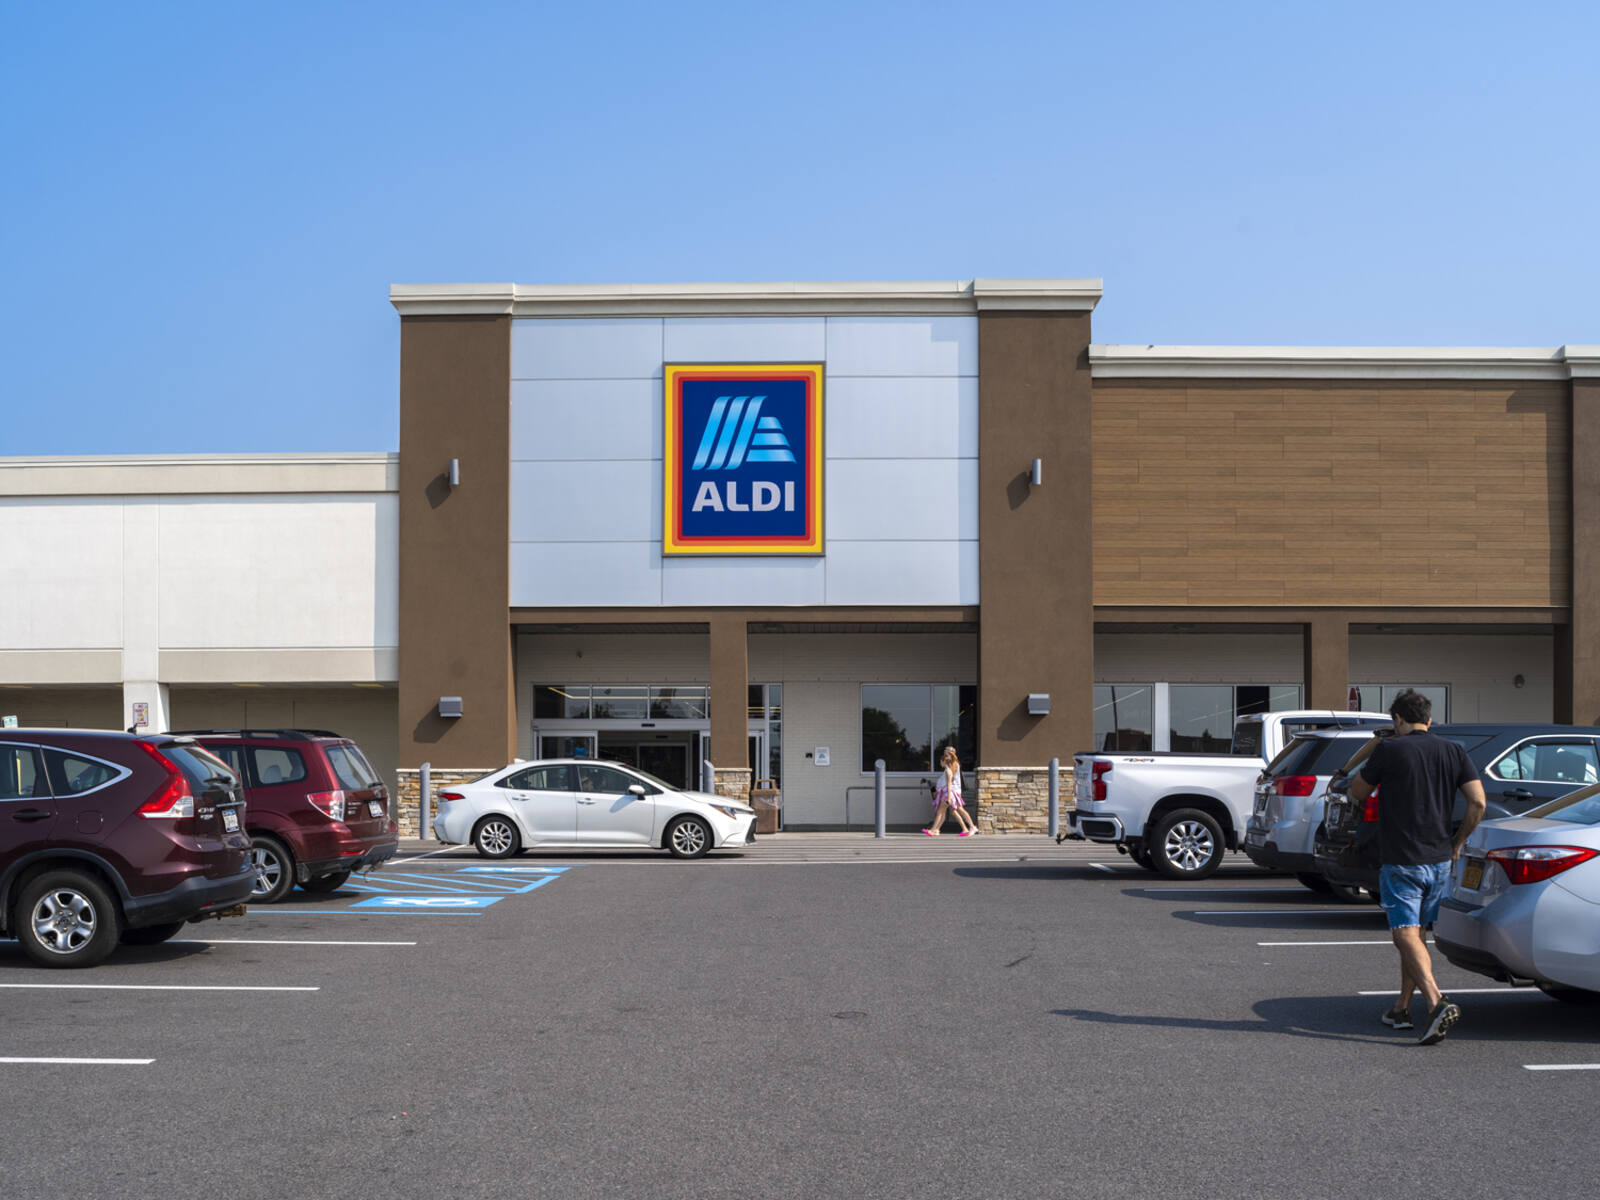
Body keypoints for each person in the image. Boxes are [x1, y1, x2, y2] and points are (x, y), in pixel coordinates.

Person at [1346, 689, 1485, 1045]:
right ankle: (1401, 1009)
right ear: (1429, 719)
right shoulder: (1453, 750)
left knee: (1404, 934)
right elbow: (1478, 802)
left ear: (1397, 720)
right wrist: (1457, 843)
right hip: (1439, 860)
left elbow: (1357, 791)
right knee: (1417, 935)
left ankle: (1436, 1002)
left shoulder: (1389, 750)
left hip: (1401, 859)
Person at [923, 746, 977, 837]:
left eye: (946, 752)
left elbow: (949, 780)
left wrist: (943, 792)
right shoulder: (950, 764)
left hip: (953, 791)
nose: (944, 753)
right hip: (950, 791)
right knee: (952, 811)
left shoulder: (954, 764)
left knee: (957, 809)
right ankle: (963, 829)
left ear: (950, 753)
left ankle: (971, 827)